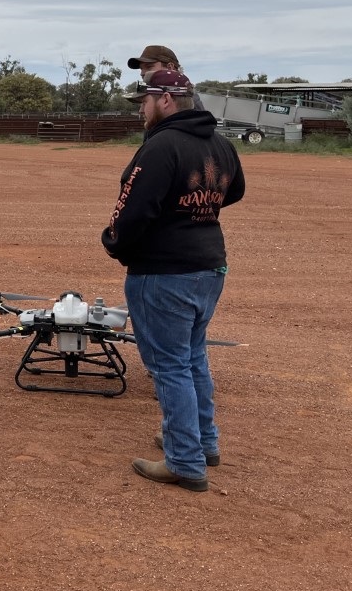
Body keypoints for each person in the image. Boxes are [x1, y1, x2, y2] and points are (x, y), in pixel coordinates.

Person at [101, 68, 245, 492]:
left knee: (169, 367)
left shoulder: (160, 146)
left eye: (144, 100)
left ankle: (184, 460)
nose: (141, 109)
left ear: (165, 99)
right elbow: (233, 191)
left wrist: (115, 244)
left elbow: (132, 209)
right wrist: (197, 208)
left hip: (164, 273)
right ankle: (204, 443)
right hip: (208, 267)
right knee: (192, 356)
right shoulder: (219, 144)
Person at [127, 45, 204, 110]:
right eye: (141, 69)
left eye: (149, 67)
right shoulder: (161, 94)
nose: (142, 73)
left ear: (170, 67)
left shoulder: (187, 99)